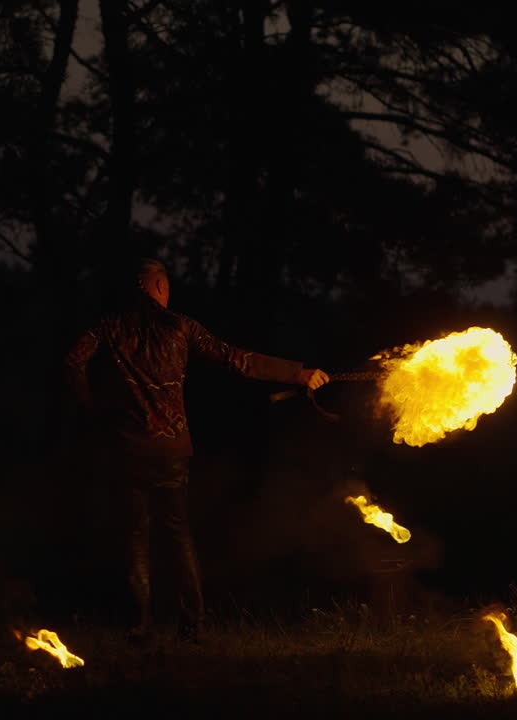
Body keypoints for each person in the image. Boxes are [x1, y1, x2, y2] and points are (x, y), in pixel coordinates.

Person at [64, 258, 329, 643]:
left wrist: (92, 409)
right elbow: (237, 359)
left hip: (127, 448)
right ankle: (193, 624)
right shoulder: (181, 327)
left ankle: (139, 625)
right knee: (177, 533)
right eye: (165, 286)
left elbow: (72, 360)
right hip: (172, 448)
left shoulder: (110, 326)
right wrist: (298, 373)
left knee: (136, 535)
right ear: (157, 287)